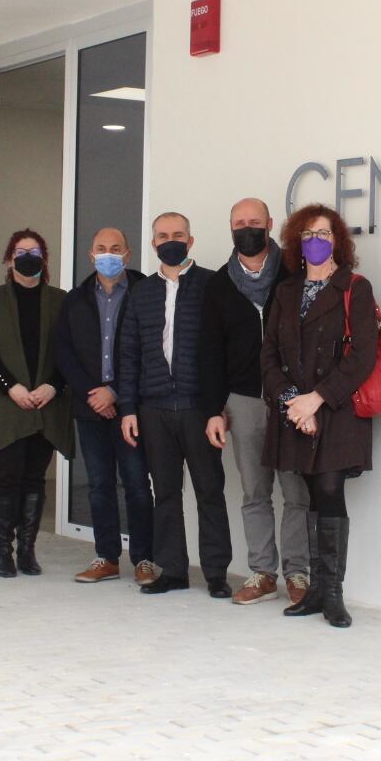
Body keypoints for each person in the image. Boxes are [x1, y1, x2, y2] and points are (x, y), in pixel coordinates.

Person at [259, 203, 380, 627]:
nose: (316, 241)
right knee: (309, 493)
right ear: (296, 241)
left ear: (338, 241)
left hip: (337, 411)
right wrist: (294, 401)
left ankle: (332, 593)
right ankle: (312, 590)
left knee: (330, 492)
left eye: (324, 234)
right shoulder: (286, 291)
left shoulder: (354, 288)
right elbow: (269, 354)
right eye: (309, 234)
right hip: (296, 412)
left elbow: (364, 356)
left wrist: (317, 399)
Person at [200, 197, 307, 606]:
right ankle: (263, 572)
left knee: (297, 492)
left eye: (254, 222)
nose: (247, 228)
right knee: (254, 492)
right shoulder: (219, 285)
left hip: (292, 400)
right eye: (239, 223)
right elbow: (210, 352)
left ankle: (298, 573)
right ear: (230, 229)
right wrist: (214, 409)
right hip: (243, 401)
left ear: (269, 226)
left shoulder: (294, 273)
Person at [120, 212, 231, 598]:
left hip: (199, 407)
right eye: (163, 235)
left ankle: (216, 572)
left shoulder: (213, 284)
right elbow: (129, 352)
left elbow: (223, 349)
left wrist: (219, 406)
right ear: (153, 243)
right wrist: (128, 409)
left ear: (191, 240)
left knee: (209, 490)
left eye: (178, 235)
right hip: (153, 408)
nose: (171, 240)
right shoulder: (141, 292)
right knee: (164, 492)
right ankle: (173, 570)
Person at [0, 231, 74, 578]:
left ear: (44, 259)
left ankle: (27, 550)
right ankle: (3, 551)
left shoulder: (61, 301)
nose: (27, 256)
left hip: (47, 402)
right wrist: (10, 387)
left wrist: (53, 386)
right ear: (8, 258)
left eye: (34, 251)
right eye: (20, 251)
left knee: (34, 478)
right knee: (7, 477)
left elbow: (72, 351)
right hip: (7, 403)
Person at [53, 227, 151, 584]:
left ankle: (144, 559)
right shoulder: (75, 299)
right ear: (90, 254)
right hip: (90, 407)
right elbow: (63, 351)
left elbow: (150, 350)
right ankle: (106, 556)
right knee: (99, 485)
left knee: (138, 484)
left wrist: (117, 392)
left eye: (116, 248)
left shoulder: (144, 291)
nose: (108, 254)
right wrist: (94, 392)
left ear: (128, 254)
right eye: (101, 248)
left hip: (131, 409)